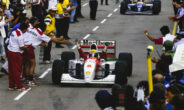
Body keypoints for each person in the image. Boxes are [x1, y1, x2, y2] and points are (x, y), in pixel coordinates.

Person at [7, 23, 29, 91]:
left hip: (10, 51)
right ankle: (19, 86)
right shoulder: (20, 36)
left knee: (11, 70)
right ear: (24, 29)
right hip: (16, 53)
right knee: (17, 70)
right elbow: (22, 47)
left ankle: (12, 85)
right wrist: (27, 47)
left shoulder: (14, 31)